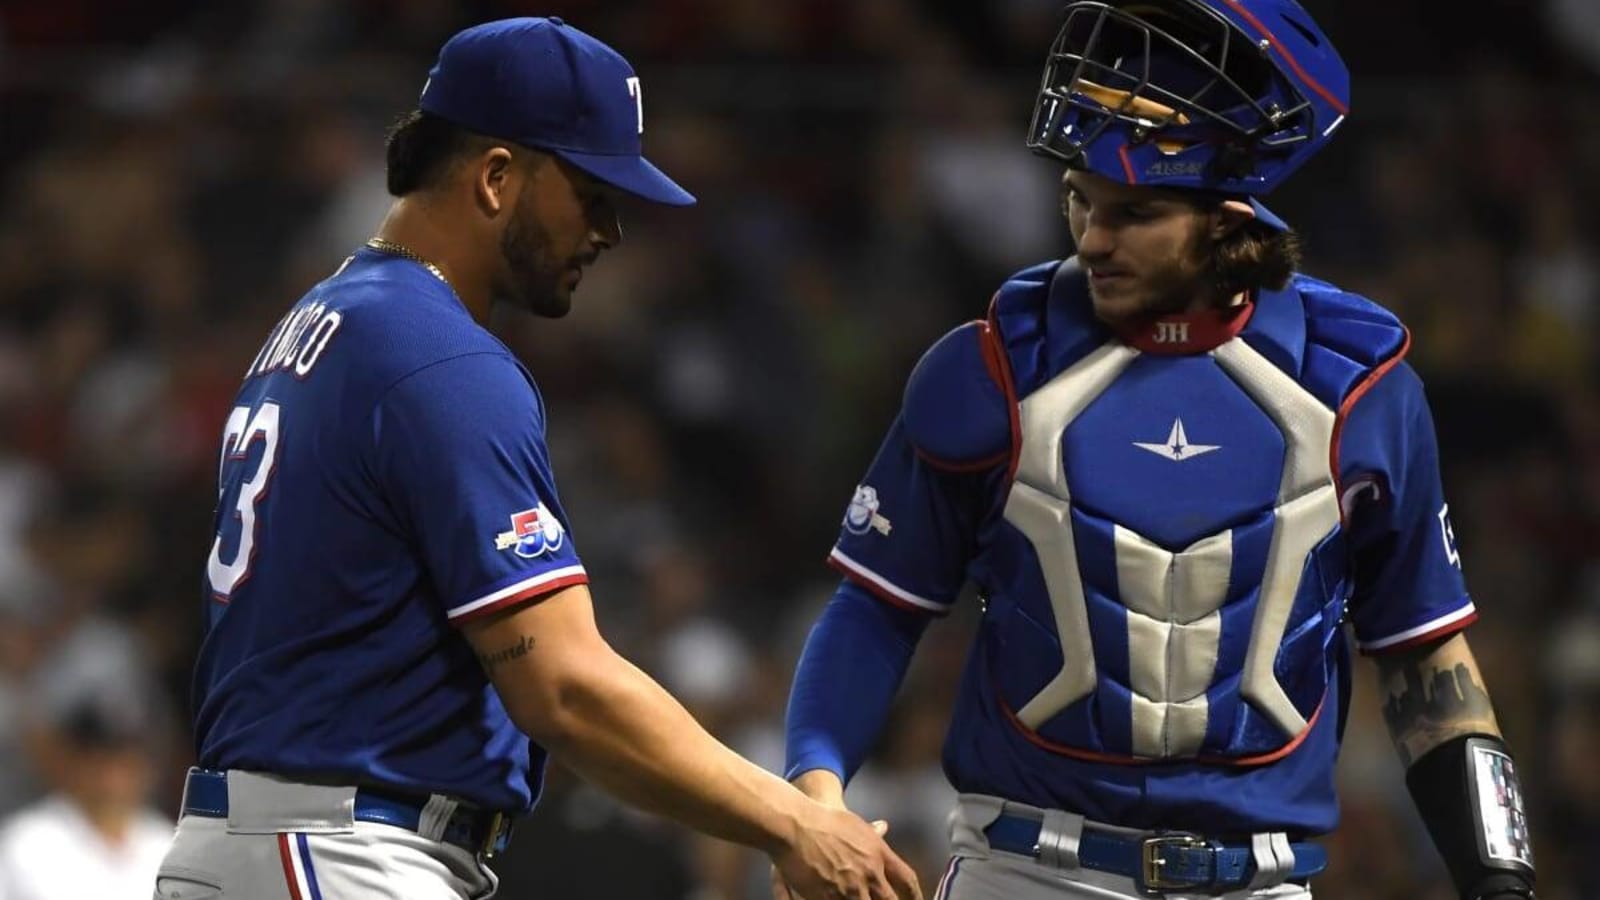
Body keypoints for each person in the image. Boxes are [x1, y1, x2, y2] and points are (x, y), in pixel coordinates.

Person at [779, 2, 1538, 899]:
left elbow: (1426, 656)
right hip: (1024, 870)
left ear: (1226, 217)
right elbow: (878, 607)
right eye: (1079, 200)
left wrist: (1501, 880)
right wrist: (814, 797)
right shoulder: (988, 366)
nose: (1093, 238)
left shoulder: (1360, 384)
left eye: (1133, 212)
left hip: (1261, 880)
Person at [154, 17, 920, 900]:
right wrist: (793, 823)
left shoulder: (326, 318)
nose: (611, 231)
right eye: (592, 193)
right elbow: (565, 689)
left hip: (263, 840)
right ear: (494, 177)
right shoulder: (439, 356)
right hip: (340, 851)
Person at [0, 682, 172, 900]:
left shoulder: (166, 846)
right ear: (72, 761)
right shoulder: (23, 843)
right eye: (99, 759)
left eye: (125, 761)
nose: (112, 776)